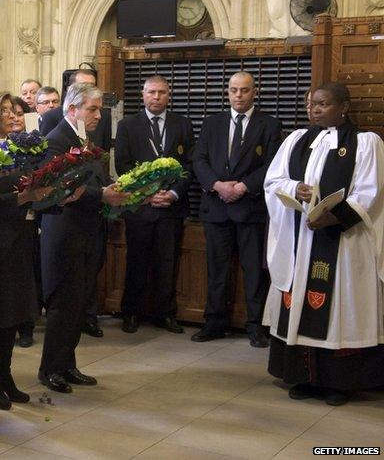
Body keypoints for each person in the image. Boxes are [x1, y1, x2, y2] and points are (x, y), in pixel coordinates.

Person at [262, 82, 384, 406]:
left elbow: (371, 192)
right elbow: (273, 181)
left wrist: (335, 217)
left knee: (339, 311)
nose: (314, 109)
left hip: (343, 243)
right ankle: (305, 377)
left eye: (323, 103)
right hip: (302, 241)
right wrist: (295, 188)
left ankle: (339, 382)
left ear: (343, 106)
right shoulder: (296, 140)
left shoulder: (365, 143)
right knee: (301, 304)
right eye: (311, 104)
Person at [38, 83, 128, 394]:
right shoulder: (55, 141)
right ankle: (50, 368)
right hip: (64, 233)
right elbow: (60, 187)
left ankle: (67, 363)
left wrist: (115, 188)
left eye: (100, 109)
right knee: (64, 304)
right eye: (92, 109)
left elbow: (92, 179)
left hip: (88, 231)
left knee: (79, 303)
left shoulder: (85, 140)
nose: (98, 115)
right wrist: (102, 194)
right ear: (72, 109)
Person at [0, 91, 50, 410]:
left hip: (19, 235)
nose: (15, 116)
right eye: (6, 111)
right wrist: (25, 197)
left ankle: (5, 376)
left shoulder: (21, 149)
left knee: (13, 313)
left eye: (17, 111)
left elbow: (30, 191)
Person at [192, 71, 282, 347]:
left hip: (250, 209)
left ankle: (255, 326)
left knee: (254, 270)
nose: (239, 95)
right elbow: (199, 159)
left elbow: (273, 164)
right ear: (227, 92)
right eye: (233, 90)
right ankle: (214, 322)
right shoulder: (212, 123)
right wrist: (217, 185)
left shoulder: (270, 124)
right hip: (216, 208)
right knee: (216, 270)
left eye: (244, 90)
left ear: (255, 91)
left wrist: (243, 187)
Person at [115, 75, 194, 334]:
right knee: (136, 261)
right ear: (143, 95)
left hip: (171, 208)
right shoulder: (128, 125)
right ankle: (131, 313)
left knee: (167, 262)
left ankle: (165, 314)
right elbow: (123, 165)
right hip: (140, 207)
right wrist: (148, 193)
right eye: (152, 92)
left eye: (161, 92)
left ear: (168, 95)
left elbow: (190, 165)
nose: (156, 97)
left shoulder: (182, 124)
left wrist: (171, 193)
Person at [38, 68, 96, 136]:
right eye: (83, 86)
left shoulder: (103, 116)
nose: (88, 90)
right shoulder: (50, 117)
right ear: (70, 89)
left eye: (92, 86)